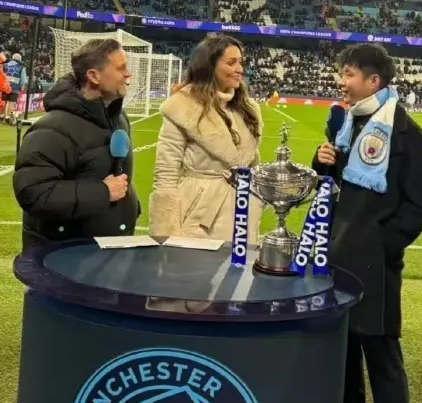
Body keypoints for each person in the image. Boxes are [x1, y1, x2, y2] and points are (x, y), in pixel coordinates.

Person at [313, 43, 422, 403]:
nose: (341, 82)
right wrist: (323, 163)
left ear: (373, 80)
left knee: (382, 357)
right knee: (346, 351)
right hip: (339, 258)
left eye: (349, 74)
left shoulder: (404, 132)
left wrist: (383, 244)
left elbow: (419, 203)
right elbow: (337, 187)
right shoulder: (348, 124)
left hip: (376, 266)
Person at [13, 38, 138, 251]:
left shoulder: (118, 118)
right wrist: (102, 192)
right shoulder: (52, 130)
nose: (128, 74)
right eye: (121, 68)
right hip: (63, 256)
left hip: (107, 250)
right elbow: (34, 193)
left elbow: (115, 179)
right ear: (94, 76)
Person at [149, 34, 264, 242]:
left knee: (240, 263)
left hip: (242, 212)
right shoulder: (182, 107)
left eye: (241, 62)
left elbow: (252, 163)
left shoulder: (249, 109)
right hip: (199, 214)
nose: (240, 69)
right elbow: (166, 174)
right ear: (210, 66)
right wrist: (164, 232)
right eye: (231, 62)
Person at [3, 52, 27, 124]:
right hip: (15, 86)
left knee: (4, 101)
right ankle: (7, 118)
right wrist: (22, 87)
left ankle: (2, 116)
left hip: (4, 85)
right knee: (11, 102)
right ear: (20, 59)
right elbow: (23, 79)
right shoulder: (21, 67)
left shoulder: (5, 65)